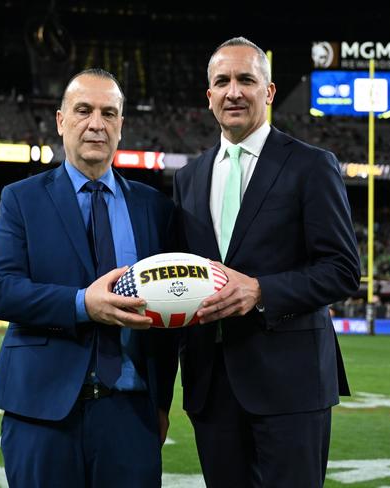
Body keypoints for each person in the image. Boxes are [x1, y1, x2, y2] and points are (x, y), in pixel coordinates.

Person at [158, 37, 361, 487]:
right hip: (211, 389)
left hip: (291, 385)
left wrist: (262, 291)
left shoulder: (311, 165)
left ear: (268, 92)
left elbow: (344, 269)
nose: (234, 91)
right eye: (222, 81)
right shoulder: (189, 178)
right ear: (208, 95)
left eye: (246, 80)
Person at [0, 68, 173, 488]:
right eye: (83, 110)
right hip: (41, 413)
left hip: (130, 412)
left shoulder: (154, 207)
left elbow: (169, 317)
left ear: (121, 125)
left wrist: (162, 404)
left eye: (109, 113)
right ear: (61, 120)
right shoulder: (22, 199)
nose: (96, 123)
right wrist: (82, 304)